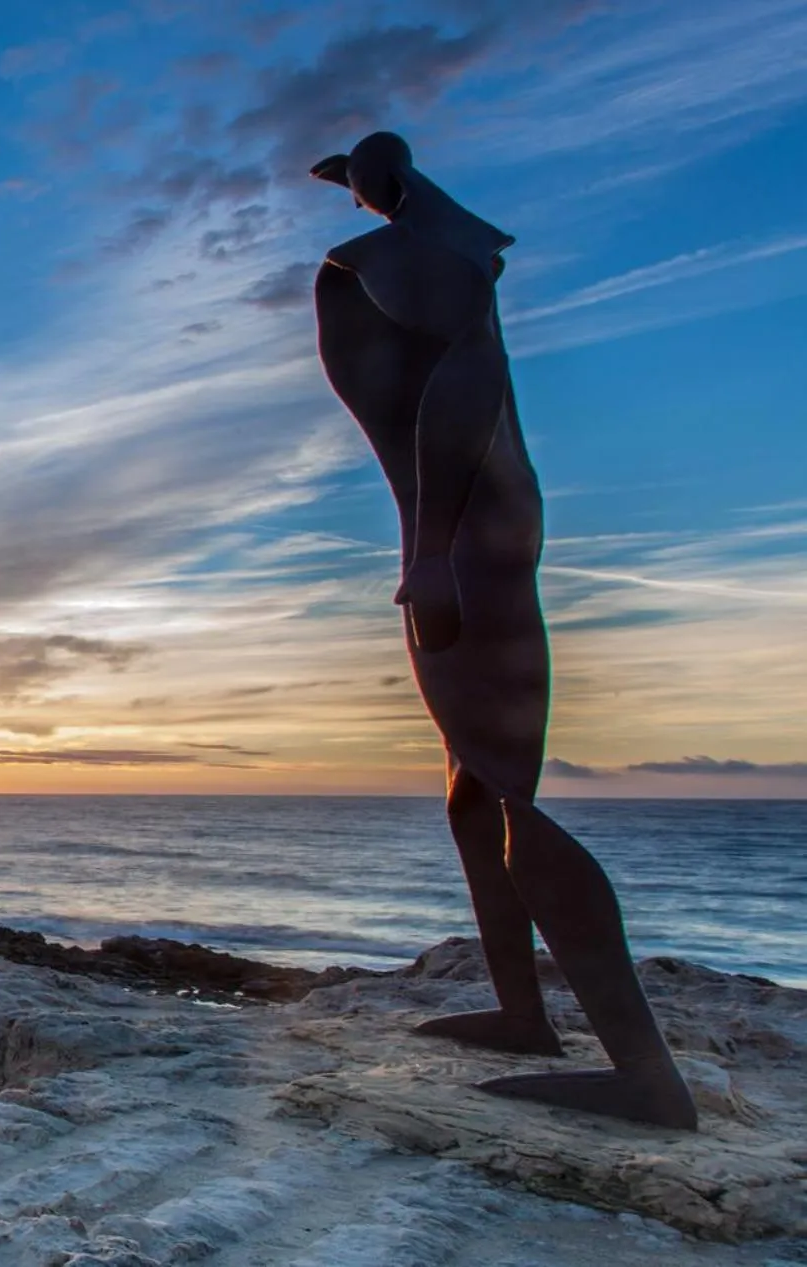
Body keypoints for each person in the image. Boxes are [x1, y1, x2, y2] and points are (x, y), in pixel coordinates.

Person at [310, 131, 696, 1130]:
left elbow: (467, 381)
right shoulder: (435, 253)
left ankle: (644, 1075)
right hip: (476, 530)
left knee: (510, 793)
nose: (346, 200)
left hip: (466, 540)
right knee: (471, 788)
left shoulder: (413, 258)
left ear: (376, 178)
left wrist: (434, 548)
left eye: (350, 182)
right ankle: (522, 1012)